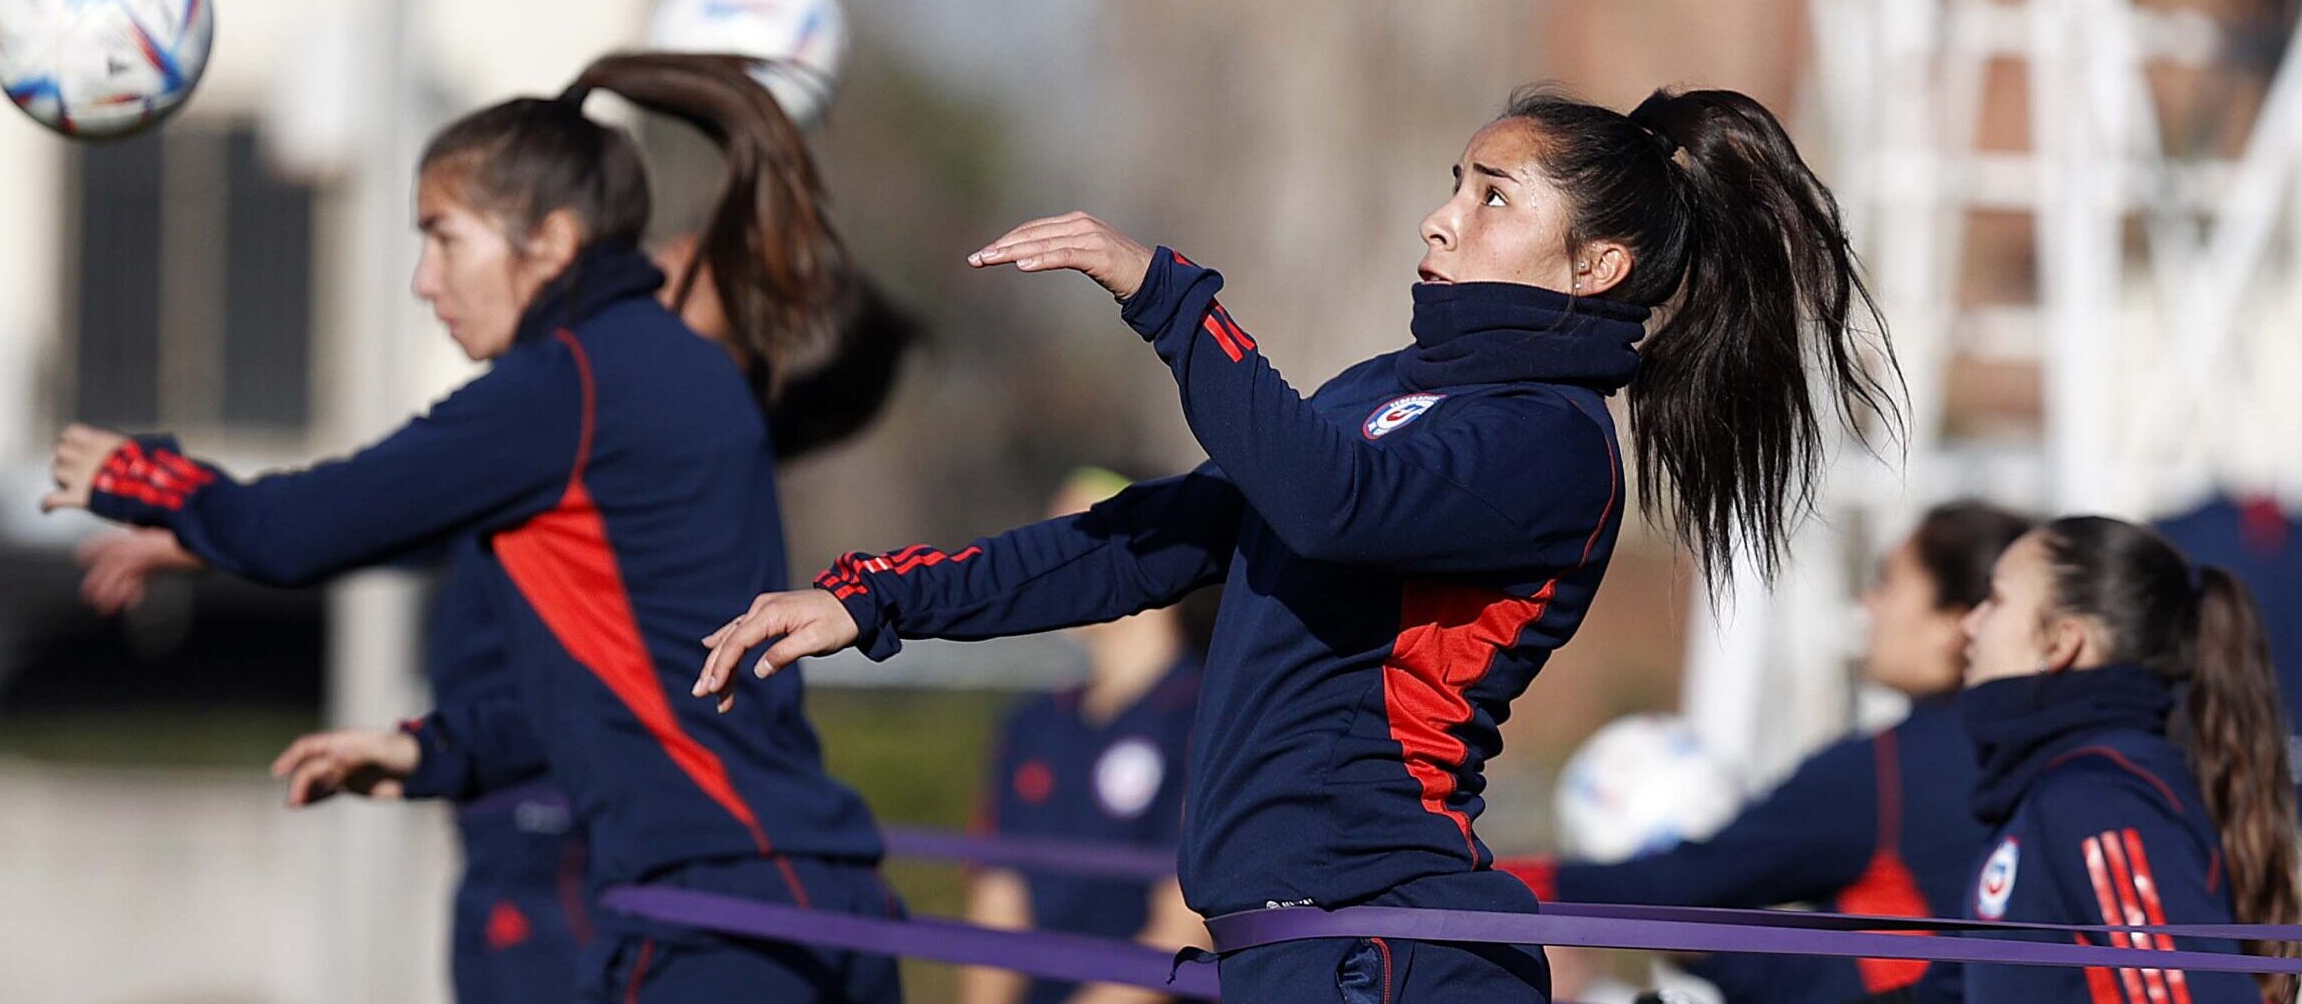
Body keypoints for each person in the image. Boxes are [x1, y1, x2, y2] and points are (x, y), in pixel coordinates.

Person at [698, 86, 1901, 1004]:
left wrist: (1170, 301)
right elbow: (1149, 541)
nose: (1440, 217)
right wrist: (874, 602)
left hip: (1390, 950)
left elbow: (1335, 503)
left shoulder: (1553, 444)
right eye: (1455, 181)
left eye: (1493, 196)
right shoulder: (1384, 386)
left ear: (1595, 268)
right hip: (1304, 945)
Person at [47, 54, 905, 1004]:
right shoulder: (679, 370)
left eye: (443, 239)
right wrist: (437, 752)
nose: (423, 279)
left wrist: (141, 478)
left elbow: (298, 529)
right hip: (819, 897)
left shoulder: (565, 386)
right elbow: (648, 675)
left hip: (716, 925)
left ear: (549, 240)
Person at [1512, 501, 2034, 1004]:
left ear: (1957, 622)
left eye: (1888, 584)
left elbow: (1680, 884)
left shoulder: (1887, 773)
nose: (1868, 606)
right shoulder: (2062, 759)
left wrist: (1490, 881)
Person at [1958, 516, 2302, 1004]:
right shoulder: (2049, 792)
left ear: (2062, 641)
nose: (1968, 624)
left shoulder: (2097, 799)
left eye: (1994, 600)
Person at [963, 467, 1211, 1004]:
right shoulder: (1030, 724)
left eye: (1074, 534)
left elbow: (1184, 929)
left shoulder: (1209, 718)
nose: (1047, 560)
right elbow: (997, 913)